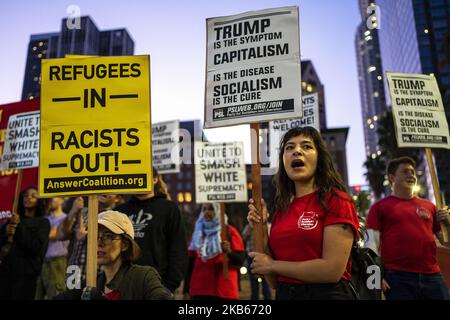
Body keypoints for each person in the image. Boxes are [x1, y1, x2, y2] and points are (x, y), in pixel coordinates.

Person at [247, 127, 360, 300]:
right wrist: (261, 228)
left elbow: (332, 271)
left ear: (319, 158)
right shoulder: (281, 211)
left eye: (306, 146)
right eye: (289, 147)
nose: (297, 151)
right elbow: (273, 281)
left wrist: (273, 265)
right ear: (283, 161)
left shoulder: (337, 201)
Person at [365, 156, 450, 300]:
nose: (411, 175)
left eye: (412, 172)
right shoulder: (379, 208)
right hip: (397, 278)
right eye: (405, 172)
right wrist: (376, 277)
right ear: (392, 177)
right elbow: (371, 245)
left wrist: (447, 224)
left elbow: (446, 242)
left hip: (432, 276)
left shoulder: (430, 206)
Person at [54, 210, 172, 300]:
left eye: (108, 236)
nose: (99, 243)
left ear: (125, 245)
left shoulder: (143, 276)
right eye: (95, 236)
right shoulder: (89, 285)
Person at [115, 168, 188, 293]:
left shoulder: (169, 209)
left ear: (155, 179)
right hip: (123, 284)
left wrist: (169, 286)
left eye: (142, 175)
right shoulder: (121, 210)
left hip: (157, 285)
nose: (137, 180)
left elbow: (178, 248)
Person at [58, 194, 122, 288]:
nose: (105, 191)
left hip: (100, 273)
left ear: (117, 198)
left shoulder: (117, 218)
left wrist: (89, 236)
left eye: (110, 190)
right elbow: (60, 235)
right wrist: (73, 211)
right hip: (75, 272)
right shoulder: (83, 212)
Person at [0, 186, 50, 299]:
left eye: (33, 196)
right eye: (26, 195)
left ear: (39, 200)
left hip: (26, 275)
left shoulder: (42, 223)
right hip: (6, 272)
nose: (28, 198)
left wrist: (19, 226)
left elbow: (35, 247)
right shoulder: (13, 220)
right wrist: (5, 233)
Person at [188, 203, 245, 300]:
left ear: (218, 211)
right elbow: (191, 263)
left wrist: (229, 252)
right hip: (200, 289)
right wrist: (186, 289)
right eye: (204, 209)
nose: (206, 212)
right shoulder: (198, 232)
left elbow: (240, 260)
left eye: (211, 209)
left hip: (223, 290)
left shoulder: (228, 231)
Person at [35, 196, 70, 299]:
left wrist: (45, 233)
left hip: (57, 262)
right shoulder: (46, 219)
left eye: (54, 198)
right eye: (49, 199)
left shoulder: (65, 218)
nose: (51, 201)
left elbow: (55, 235)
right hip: (43, 261)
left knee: (55, 293)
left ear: (62, 200)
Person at [242, 223, 272, 300]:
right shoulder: (249, 226)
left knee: (266, 280)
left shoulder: (267, 225)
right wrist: (250, 229)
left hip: (264, 256)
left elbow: (270, 238)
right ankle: (254, 297)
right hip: (251, 257)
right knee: (253, 280)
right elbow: (243, 237)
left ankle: (267, 297)